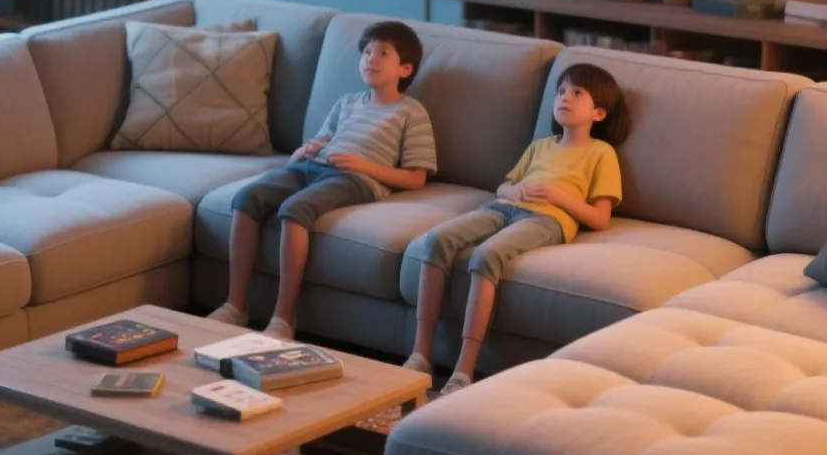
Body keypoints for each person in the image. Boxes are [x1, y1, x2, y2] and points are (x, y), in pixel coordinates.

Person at [404, 63, 628, 395]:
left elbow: (600, 218)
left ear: (599, 112)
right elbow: (504, 185)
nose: (565, 97)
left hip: (546, 220)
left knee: (486, 255)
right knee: (437, 239)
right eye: (561, 91)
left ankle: (463, 371)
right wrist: (512, 190)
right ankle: (420, 355)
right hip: (503, 207)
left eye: (577, 93)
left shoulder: (601, 153)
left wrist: (557, 195)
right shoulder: (540, 146)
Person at [210, 21, 437, 340]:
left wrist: (365, 166)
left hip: (356, 178)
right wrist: (306, 150)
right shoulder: (347, 102)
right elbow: (322, 139)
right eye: (366, 52)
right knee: (247, 197)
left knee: (295, 209)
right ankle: (235, 305)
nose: (371, 59)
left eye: (383, 53)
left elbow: (416, 177)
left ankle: (283, 317)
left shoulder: (411, 112)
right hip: (313, 166)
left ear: (405, 68)